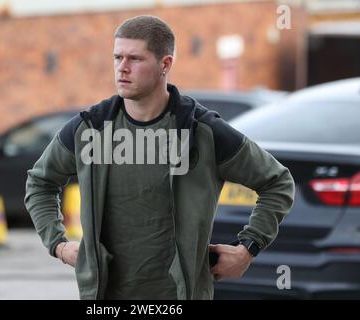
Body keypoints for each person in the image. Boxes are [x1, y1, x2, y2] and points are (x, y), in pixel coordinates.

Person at [25, 15, 295, 300]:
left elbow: (277, 182)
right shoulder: (90, 128)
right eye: (117, 57)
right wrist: (58, 244)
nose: (122, 68)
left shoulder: (202, 131)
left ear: (165, 64)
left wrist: (248, 248)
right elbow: (40, 182)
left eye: (134, 59)